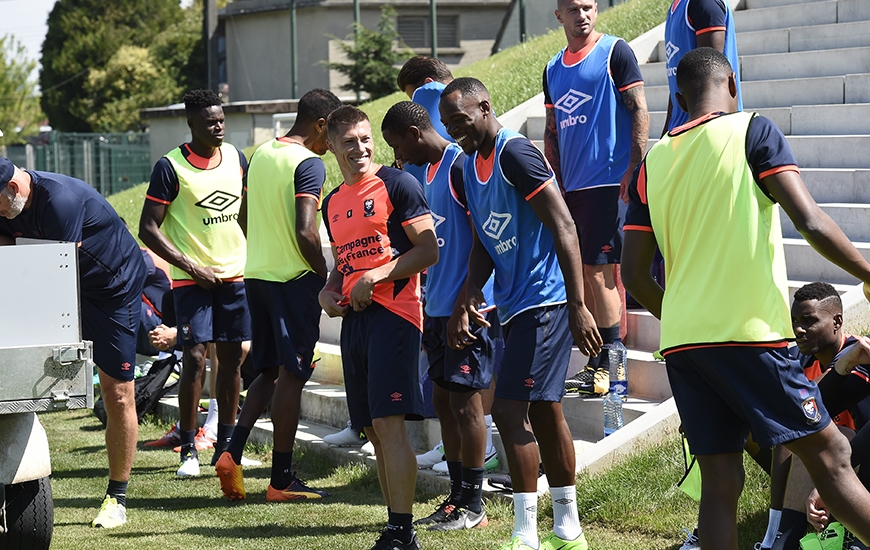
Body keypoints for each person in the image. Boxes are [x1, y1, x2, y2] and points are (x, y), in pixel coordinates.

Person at [621, 47, 870, 549]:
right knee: (831, 459)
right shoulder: (752, 129)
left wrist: (689, 319)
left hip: (685, 344)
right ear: (732, 84)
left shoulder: (654, 160)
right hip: (749, 337)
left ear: (677, 96)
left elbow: (633, 274)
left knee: (720, 484)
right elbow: (811, 221)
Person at [440, 77, 602, 550]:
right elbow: (486, 242)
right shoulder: (468, 166)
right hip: (513, 305)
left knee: (510, 411)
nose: (455, 131)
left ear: (486, 108)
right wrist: (468, 295)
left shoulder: (517, 153)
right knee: (547, 413)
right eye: (448, 124)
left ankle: (524, 534)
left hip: (547, 301)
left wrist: (578, 304)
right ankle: (569, 530)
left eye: (461, 121)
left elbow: (564, 225)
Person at [0, 157, 146, 529]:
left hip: (113, 291)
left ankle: (117, 497)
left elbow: (48, 274)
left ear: (13, 189)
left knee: (117, 393)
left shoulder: (60, 201)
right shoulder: (7, 204)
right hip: (65, 283)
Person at [318, 105, 439, 550]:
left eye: (365, 138)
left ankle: (403, 532)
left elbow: (428, 251)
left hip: (396, 315)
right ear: (331, 146)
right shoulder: (331, 202)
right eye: (349, 141)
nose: (360, 148)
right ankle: (395, 527)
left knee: (388, 425)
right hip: (355, 321)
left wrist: (378, 276)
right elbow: (343, 265)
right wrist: (326, 292)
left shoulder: (398, 184)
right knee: (370, 428)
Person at [214, 88, 342, 502]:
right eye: (333, 132)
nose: (334, 143)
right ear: (321, 125)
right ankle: (281, 479)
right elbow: (307, 230)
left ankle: (230, 451)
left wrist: (267, 252)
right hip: (293, 279)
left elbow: (243, 217)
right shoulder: (308, 163)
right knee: (293, 373)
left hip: (257, 276)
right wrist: (322, 273)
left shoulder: (263, 154)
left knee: (268, 371)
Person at [382, 100, 499, 531]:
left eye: (398, 146)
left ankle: (476, 503)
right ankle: (456, 496)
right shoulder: (423, 174)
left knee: (468, 406)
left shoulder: (457, 165)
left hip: (467, 308)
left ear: (414, 134)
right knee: (442, 402)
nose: (397, 158)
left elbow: (485, 235)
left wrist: (468, 302)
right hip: (436, 308)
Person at [139, 89, 251, 478]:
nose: (218, 126)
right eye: (209, 122)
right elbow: (148, 228)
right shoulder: (170, 167)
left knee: (233, 361)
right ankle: (188, 448)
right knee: (194, 358)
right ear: (191, 124)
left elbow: (247, 214)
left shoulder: (237, 158)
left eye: (221, 120)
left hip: (235, 276)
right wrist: (191, 265)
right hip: (191, 281)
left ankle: (227, 449)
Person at [544, 0, 648, 395]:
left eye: (588, 6)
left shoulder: (615, 51)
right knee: (585, 273)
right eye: (572, 9)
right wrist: (554, 182)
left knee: (600, 272)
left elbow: (639, 109)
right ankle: (596, 362)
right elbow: (553, 129)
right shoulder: (553, 68)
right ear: (559, 16)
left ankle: (614, 369)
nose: (581, 15)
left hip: (609, 182)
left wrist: (634, 169)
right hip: (571, 187)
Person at [752, 282, 870, 549]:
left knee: (808, 432)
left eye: (809, 321)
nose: (798, 330)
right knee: (754, 425)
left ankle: (784, 538)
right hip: (828, 463)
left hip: (859, 459)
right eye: (795, 321)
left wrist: (842, 365)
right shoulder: (800, 359)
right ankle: (777, 533)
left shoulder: (860, 355)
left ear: (837, 321)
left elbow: (807, 409)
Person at [663, 0, 741, 133]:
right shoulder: (676, 8)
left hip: (710, 134)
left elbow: (710, 81)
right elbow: (678, 87)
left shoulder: (705, 3)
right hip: (682, 135)